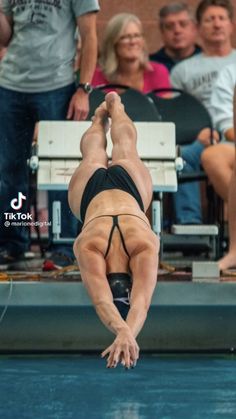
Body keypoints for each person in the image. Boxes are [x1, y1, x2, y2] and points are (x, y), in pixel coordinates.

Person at [0, 0, 99, 269]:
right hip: (10, 83)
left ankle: (64, 244)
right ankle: (12, 241)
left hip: (57, 85)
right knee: (8, 168)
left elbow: (90, 36)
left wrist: (84, 88)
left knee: (61, 170)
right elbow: (5, 36)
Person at [68, 92, 159, 368]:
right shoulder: (87, 245)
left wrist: (125, 332)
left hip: (130, 191)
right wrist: (123, 332)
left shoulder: (146, 243)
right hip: (89, 196)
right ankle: (99, 120)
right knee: (93, 153)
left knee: (127, 147)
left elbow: (140, 302)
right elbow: (105, 300)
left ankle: (114, 111)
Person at [170, 0, 236, 225]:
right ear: (198, 28)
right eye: (210, 19)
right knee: (181, 157)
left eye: (221, 18)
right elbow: (176, 114)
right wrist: (196, 133)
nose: (216, 24)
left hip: (232, 131)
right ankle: (191, 226)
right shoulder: (182, 70)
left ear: (231, 25)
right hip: (201, 136)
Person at [200, 63, 236, 270]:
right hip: (231, 144)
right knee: (213, 156)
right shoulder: (231, 71)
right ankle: (234, 251)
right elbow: (229, 128)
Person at [91, 13, 171, 93]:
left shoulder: (158, 72)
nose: (133, 42)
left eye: (137, 36)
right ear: (113, 43)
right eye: (125, 37)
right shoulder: (97, 76)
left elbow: (166, 105)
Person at [150, 2, 201, 71]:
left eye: (183, 24)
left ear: (194, 29)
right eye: (169, 26)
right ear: (162, 32)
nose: (177, 30)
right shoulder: (150, 65)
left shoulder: (209, 60)